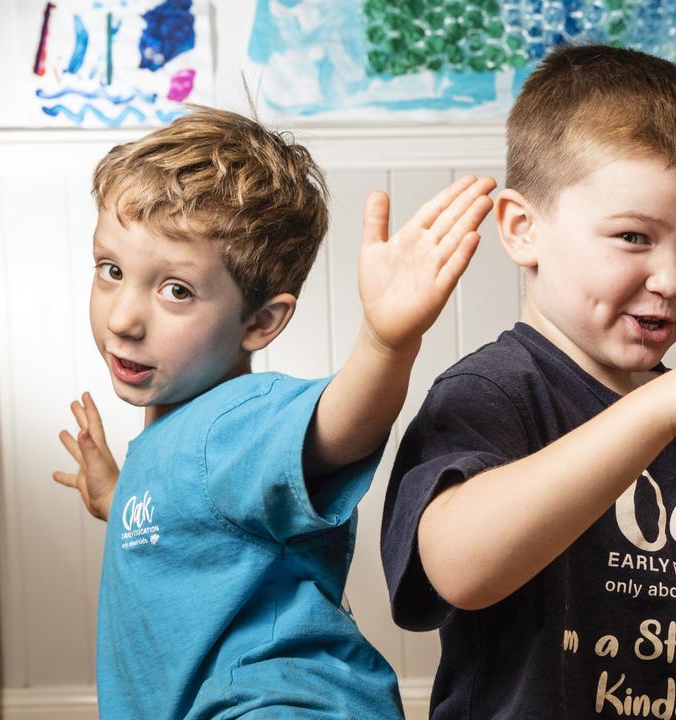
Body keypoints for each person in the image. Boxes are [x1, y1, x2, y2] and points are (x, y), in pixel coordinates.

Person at [381, 44, 676, 718]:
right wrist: (659, 410)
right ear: (523, 229)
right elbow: (458, 570)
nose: (673, 280)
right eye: (633, 237)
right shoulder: (494, 390)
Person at [52, 105, 496, 718]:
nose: (123, 317)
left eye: (175, 289)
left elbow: (337, 427)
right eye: (112, 271)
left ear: (261, 321)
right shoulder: (183, 439)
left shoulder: (241, 418)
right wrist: (119, 495)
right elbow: (191, 526)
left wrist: (385, 342)